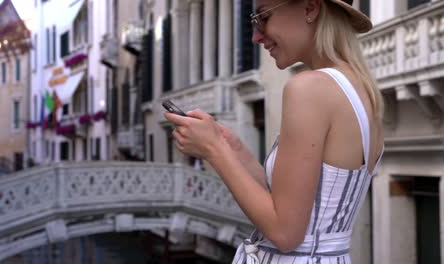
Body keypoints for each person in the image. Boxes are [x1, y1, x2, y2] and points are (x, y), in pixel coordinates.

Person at [164, 0, 384, 263]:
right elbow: (297, 206)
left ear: (310, 8)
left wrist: (214, 150)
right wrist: (233, 148)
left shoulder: (308, 88)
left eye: (263, 17)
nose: (256, 36)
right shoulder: (363, 91)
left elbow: (285, 233)